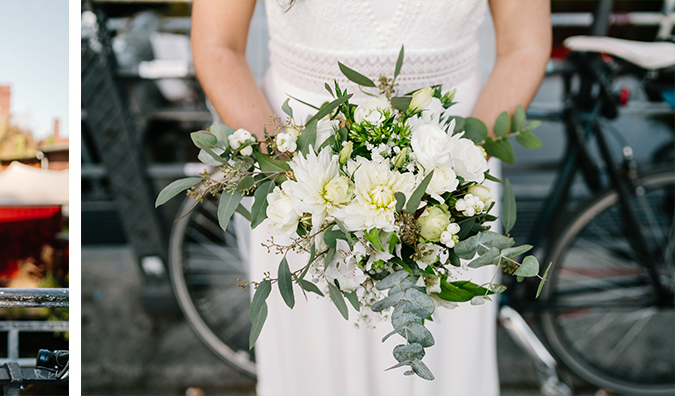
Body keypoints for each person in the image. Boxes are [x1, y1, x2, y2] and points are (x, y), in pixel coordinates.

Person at [190, 1, 549, 394]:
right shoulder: (295, 178)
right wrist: (288, 171)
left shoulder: (454, 177)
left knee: (440, 349)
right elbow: (218, 44)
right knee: (317, 355)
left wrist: (456, 176)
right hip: (300, 177)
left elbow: (524, 44)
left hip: (451, 164)